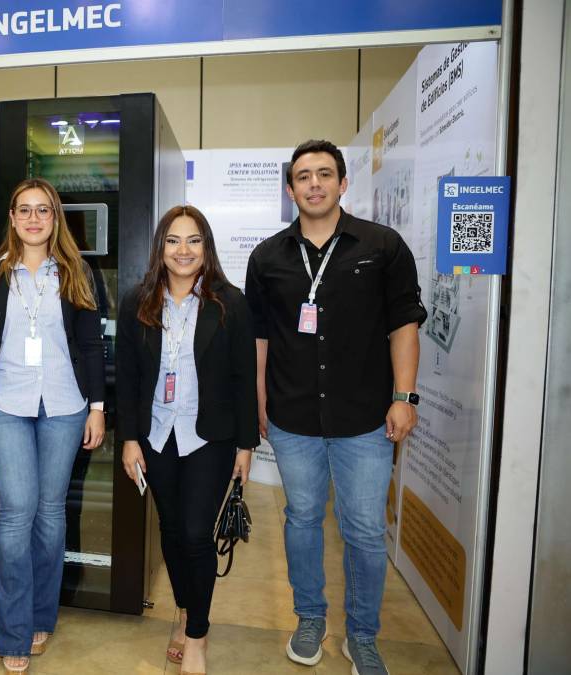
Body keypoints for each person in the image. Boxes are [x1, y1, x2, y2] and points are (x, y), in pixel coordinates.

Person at [245, 140, 427, 675]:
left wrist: (404, 397)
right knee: (301, 519)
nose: (314, 184)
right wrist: (258, 401)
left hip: (366, 418)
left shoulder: (382, 246)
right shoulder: (268, 257)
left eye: (325, 174)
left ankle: (363, 635)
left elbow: (404, 326)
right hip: (293, 417)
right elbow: (258, 337)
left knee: (365, 529)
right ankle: (310, 618)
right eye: (303, 176)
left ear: (343, 183)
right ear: (290, 189)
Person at [0, 177, 104, 675]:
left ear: (55, 216)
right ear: (13, 218)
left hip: (65, 406)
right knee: (17, 514)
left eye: (43, 210)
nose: (34, 218)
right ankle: (14, 631)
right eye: (24, 210)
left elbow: (90, 345)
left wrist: (98, 407)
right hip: (5, 405)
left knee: (49, 515)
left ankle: (44, 614)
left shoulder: (77, 271)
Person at [116, 204, 258, 675]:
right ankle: (182, 607)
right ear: (161, 247)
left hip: (209, 438)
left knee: (197, 534)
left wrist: (244, 446)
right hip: (157, 436)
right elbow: (131, 377)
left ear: (206, 247)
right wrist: (130, 440)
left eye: (193, 240)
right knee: (172, 532)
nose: (183, 250)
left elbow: (243, 377)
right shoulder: (138, 300)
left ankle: (197, 632)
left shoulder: (229, 302)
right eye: (173, 241)